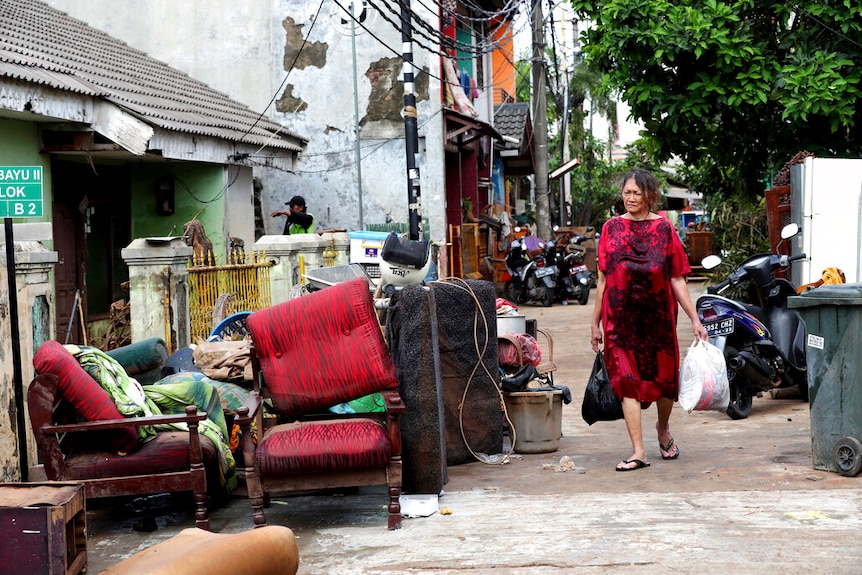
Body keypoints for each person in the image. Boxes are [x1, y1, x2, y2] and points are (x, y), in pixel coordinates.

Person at [590, 168, 708, 472]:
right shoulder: (610, 229)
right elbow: (603, 279)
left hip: (658, 320)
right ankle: (638, 451)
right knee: (627, 382)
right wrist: (595, 323)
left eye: (636, 193)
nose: (630, 198)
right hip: (620, 321)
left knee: (665, 382)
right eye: (626, 193)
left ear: (649, 196)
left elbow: (678, 280)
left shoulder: (664, 229)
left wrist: (695, 319)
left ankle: (663, 429)